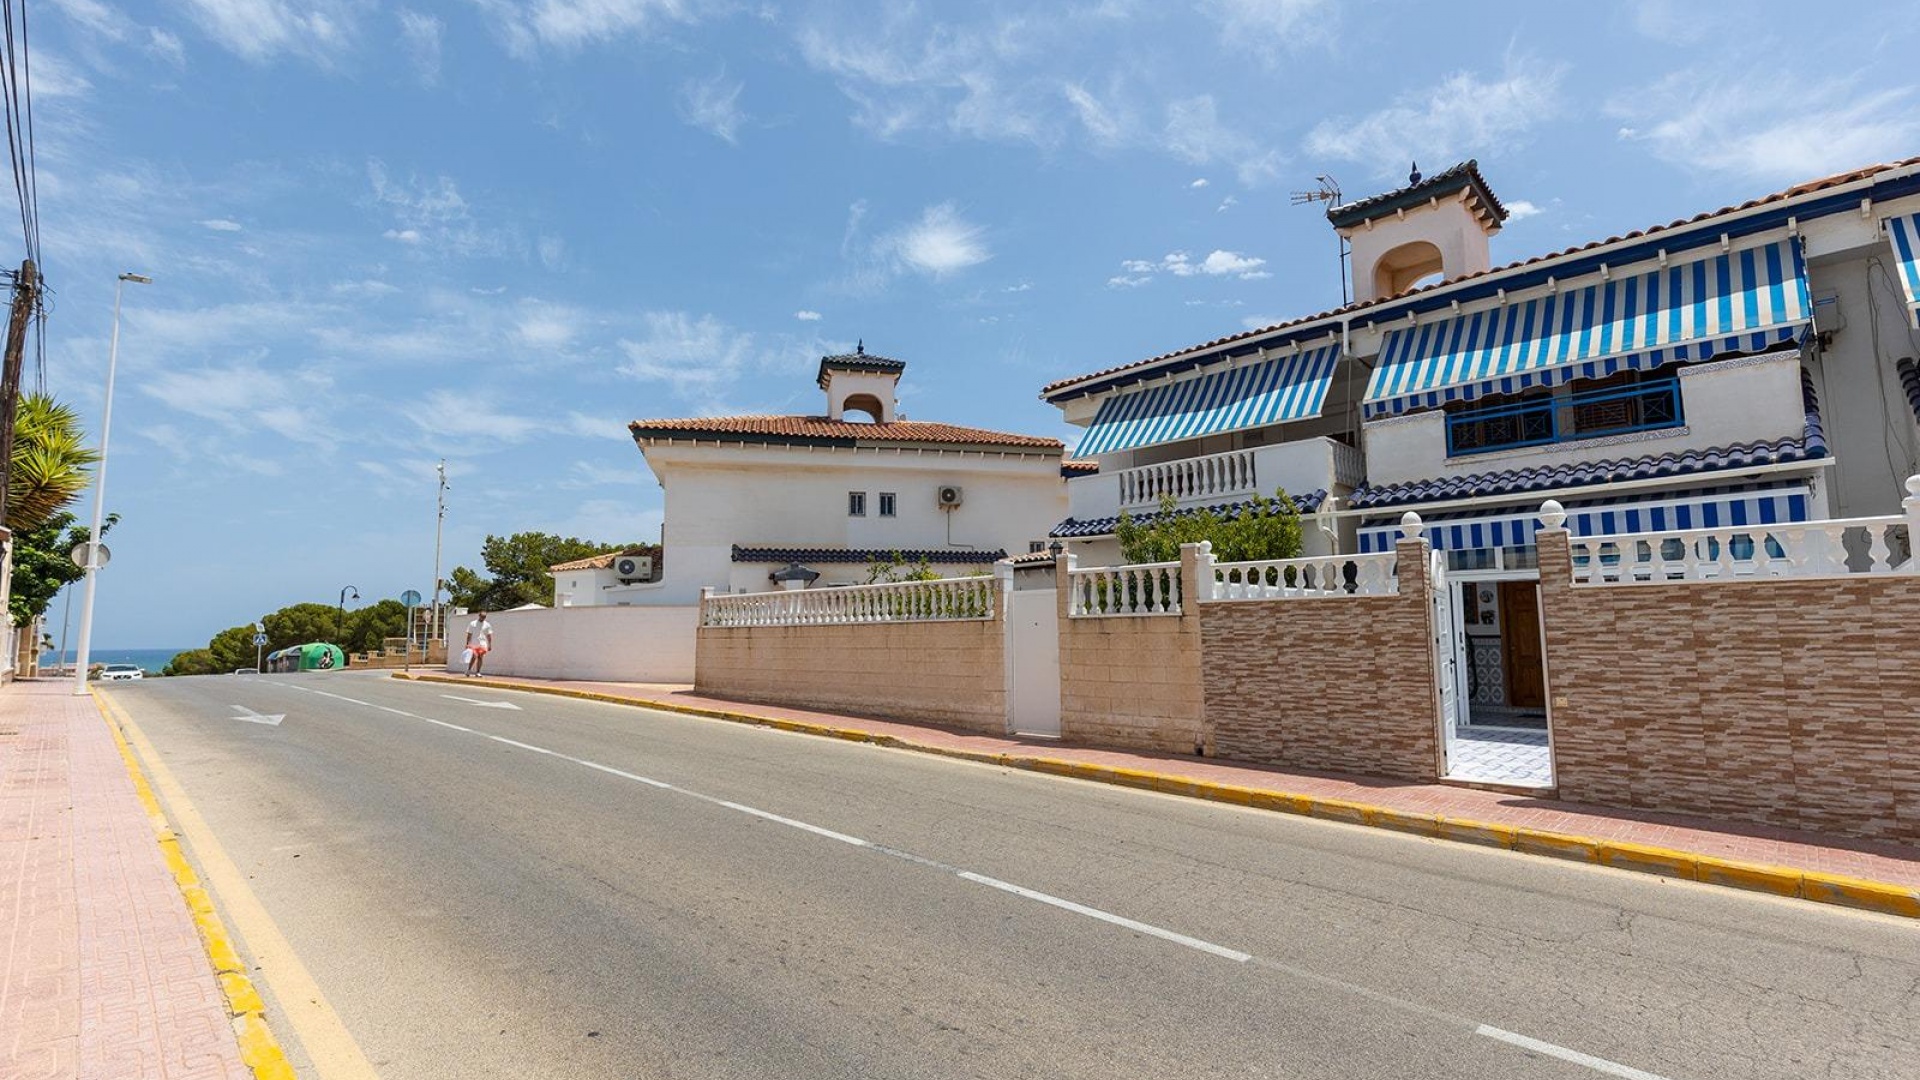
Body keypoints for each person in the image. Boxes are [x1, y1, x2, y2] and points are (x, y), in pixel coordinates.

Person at [465, 611, 494, 677]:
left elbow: (489, 635)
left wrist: (489, 645)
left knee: (480, 657)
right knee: (474, 657)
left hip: (483, 644)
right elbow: (469, 634)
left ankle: (478, 672)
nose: (483, 618)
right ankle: (468, 670)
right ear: (479, 615)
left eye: (484, 617)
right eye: (482, 616)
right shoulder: (472, 623)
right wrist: (467, 643)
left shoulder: (487, 625)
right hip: (474, 643)